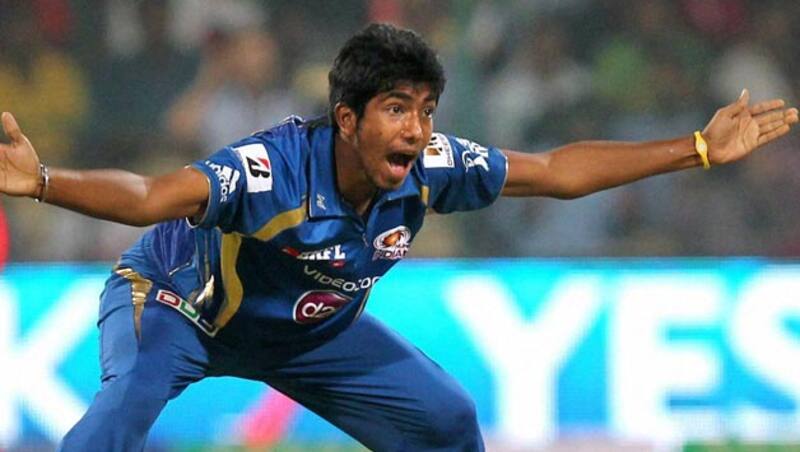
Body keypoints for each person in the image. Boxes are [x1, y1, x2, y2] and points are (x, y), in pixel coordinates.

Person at [0, 23, 797, 452]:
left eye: (425, 110)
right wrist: (41, 181)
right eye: (395, 109)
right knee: (118, 420)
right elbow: (148, 198)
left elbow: (556, 170)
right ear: (347, 119)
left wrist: (697, 147)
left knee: (448, 424)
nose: (416, 130)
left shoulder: (433, 164)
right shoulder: (271, 171)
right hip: (184, 306)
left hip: (308, 335)